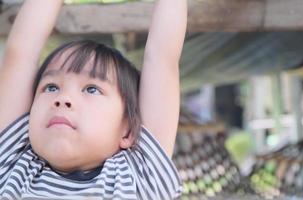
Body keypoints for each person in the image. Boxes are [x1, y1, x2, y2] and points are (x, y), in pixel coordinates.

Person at [0, 0, 187, 199]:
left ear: (129, 131)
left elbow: (162, 59)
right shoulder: (12, 163)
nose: (62, 99)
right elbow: (21, 54)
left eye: (91, 89)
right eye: (51, 87)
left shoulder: (141, 178)